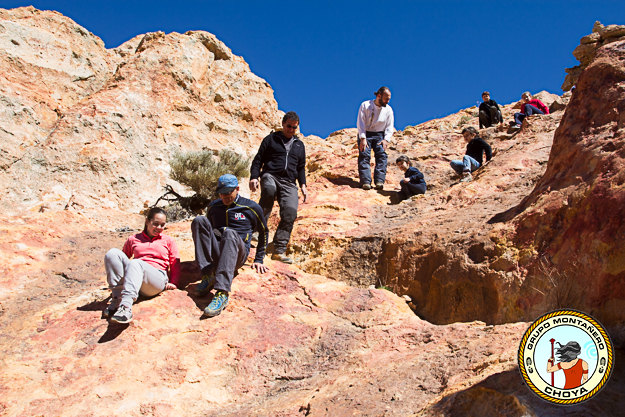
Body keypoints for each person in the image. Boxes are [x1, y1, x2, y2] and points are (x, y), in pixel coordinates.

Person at [192, 174, 269, 317]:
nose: (225, 197)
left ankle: (222, 292)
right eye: (222, 193)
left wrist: (259, 258)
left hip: (237, 253)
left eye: (228, 193)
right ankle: (208, 275)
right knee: (199, 221)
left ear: (237, 189)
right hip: (218, 251)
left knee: (230, 233)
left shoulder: (250, 207)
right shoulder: (214, 207)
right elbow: (207, 232)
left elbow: (264, 231)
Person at [103, 207, 180, 324]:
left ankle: (126, 307)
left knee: (136, 262)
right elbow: (121, 261)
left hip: (156, 280)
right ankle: (117, 298)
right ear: (147, 221)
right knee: (112, 253)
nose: (159, 228)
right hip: (136, 278)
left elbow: (175, 262)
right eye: (155, 224)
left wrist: (174, 282)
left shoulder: (168, 240)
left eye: (162, 225)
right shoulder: (133, 239)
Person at [249, 111, 307, 265]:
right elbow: (258, 160)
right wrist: (254, 177)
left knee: (290, 211)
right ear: (283, 124)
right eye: (289, 126)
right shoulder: (271, 139)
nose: (291, 130)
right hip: (271, 175)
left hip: (289, 182)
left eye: (294, 128)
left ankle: (279, 249)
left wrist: (303, 185)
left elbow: (301, 168)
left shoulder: (299, 145)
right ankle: (257, 230)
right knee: (268, 190)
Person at [356, 86, 395, 190]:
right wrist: (363, 138)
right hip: (366, 134)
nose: (387, 101)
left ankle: (379, 181)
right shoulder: (365, 105)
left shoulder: (388, 110)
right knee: (364, 155)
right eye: (386, 98)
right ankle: (365, 182)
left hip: (379, 135)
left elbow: (389, 126)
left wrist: (386, 139)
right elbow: (361, 122)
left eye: (389, 99)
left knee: (381, 156)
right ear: (379, 96)